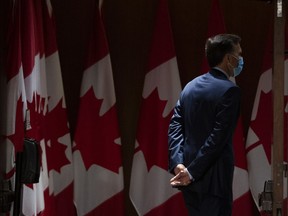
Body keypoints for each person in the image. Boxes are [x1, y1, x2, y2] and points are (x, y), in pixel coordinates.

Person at [168, 34, 243, 216]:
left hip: (189, 180)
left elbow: (175, 127)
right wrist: (192, 172)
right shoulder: (230, 91)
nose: (240, 60)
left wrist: (178, 163)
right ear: (228, 59)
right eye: (238, 55)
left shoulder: (190, 87)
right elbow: (218, 139)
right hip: (213, 182)